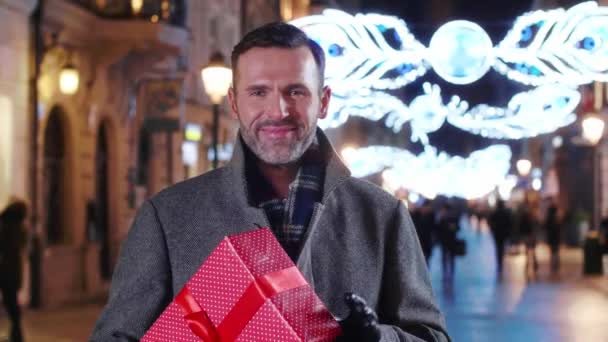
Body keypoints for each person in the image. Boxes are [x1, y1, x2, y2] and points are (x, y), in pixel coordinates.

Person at [91, 22, 449, 341]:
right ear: (234, 102)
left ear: (323, 102)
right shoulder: (169, 215)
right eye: (258, 92)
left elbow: (431, 336)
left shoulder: (382, 215)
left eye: (296, 91)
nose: (278, 111)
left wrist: (379, 338)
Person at [0, 198, 28, 342]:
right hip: (15, 271)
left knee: (9, 302)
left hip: (6, 270)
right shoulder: (20, 228)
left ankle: (16, 333)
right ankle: (16, 333)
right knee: (11, 302)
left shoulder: (6, 226)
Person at [488, 199, 513, 276]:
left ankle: (499, 261)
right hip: (503, 233)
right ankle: (500, 261)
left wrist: (493, 229)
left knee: (498, 247)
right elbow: (510, 223)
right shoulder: (506, 213)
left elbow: (490, 222)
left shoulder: (495, 212)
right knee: (501, 247)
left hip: (497, 233)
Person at [437, 203, 459, 281]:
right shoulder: (442, 218)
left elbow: (457, 228)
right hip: (444, 241)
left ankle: (451, 272)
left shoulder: (453, 218)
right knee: (444, 257)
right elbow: (438, 229)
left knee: (451, 257)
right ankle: (445, 272)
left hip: (451, 241)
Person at [412, 199, 436, 265]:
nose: (425, 209)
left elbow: (434, 230)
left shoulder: (431, 216)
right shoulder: (415, 215)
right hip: (417, 243)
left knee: (426, 263)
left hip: (427, 244)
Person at [544, 203, 561, 274]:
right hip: (556, 237)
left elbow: (545, 227)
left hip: (551, 237)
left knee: (553, 252)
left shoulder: (549, 218)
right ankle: (556, 265)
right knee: (556, 252)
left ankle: (554, 265)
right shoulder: (557, 219)